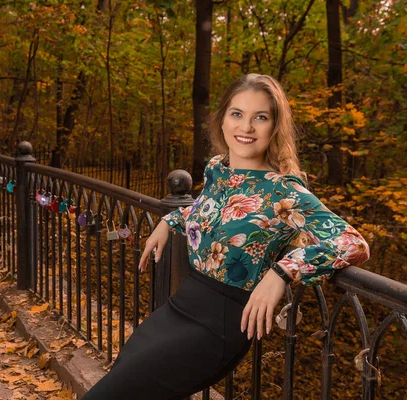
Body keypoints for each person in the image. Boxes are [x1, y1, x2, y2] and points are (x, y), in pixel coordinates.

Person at [81, 74, 370, 400]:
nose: (246, 127)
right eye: (237, 114)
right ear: (221, 121)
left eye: (260, 117)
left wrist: (284, 271)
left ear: (274, 127)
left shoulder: (284, 191)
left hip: (216, 327)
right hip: (181, 306)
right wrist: (171, 220)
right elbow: (210, 212)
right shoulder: (218, 170)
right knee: (122, 376)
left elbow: (353, 242)